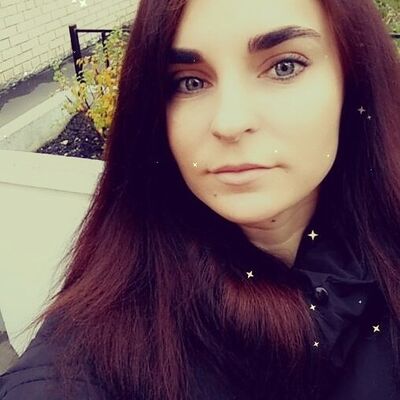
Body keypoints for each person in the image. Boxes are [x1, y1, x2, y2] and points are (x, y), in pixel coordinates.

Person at [1, 0, 400, 399]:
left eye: (284, 66)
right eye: (189, 82)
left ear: (355, 79)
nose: (229, 122)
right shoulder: (85, 359)